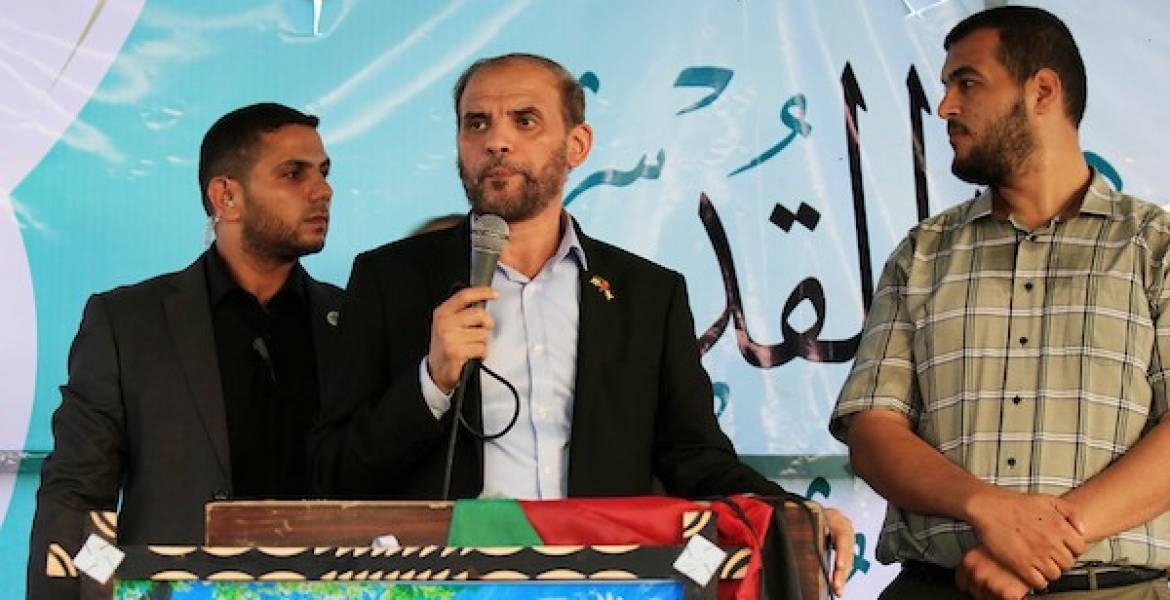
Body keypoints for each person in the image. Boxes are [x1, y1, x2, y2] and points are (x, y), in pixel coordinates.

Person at [311, 53, 853, 595]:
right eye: (476, 123)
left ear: (577, 145)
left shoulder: (647, 294)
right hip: (451, 586)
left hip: (606, 585)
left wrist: (794, 511)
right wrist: (431, 383)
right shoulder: (391, 280)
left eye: (524, 120)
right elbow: (333, 471)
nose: (496, 141)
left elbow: (694, 457)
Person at [831, 6, 1170, 599]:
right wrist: (986, 509)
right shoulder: (923, 251)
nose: (945, 107)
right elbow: (873, 430)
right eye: (946, 87)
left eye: (967, 83)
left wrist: (1039, 546)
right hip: (935, 587)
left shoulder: (1154, 247)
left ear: (1042, 91)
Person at [28, 102, 342, 598]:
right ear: (226, 196)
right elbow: (80, 496)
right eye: (293, 173)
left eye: (323, 172)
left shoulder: (351, 321)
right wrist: (91, 588)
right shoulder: (128, 323)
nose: (322, 190)